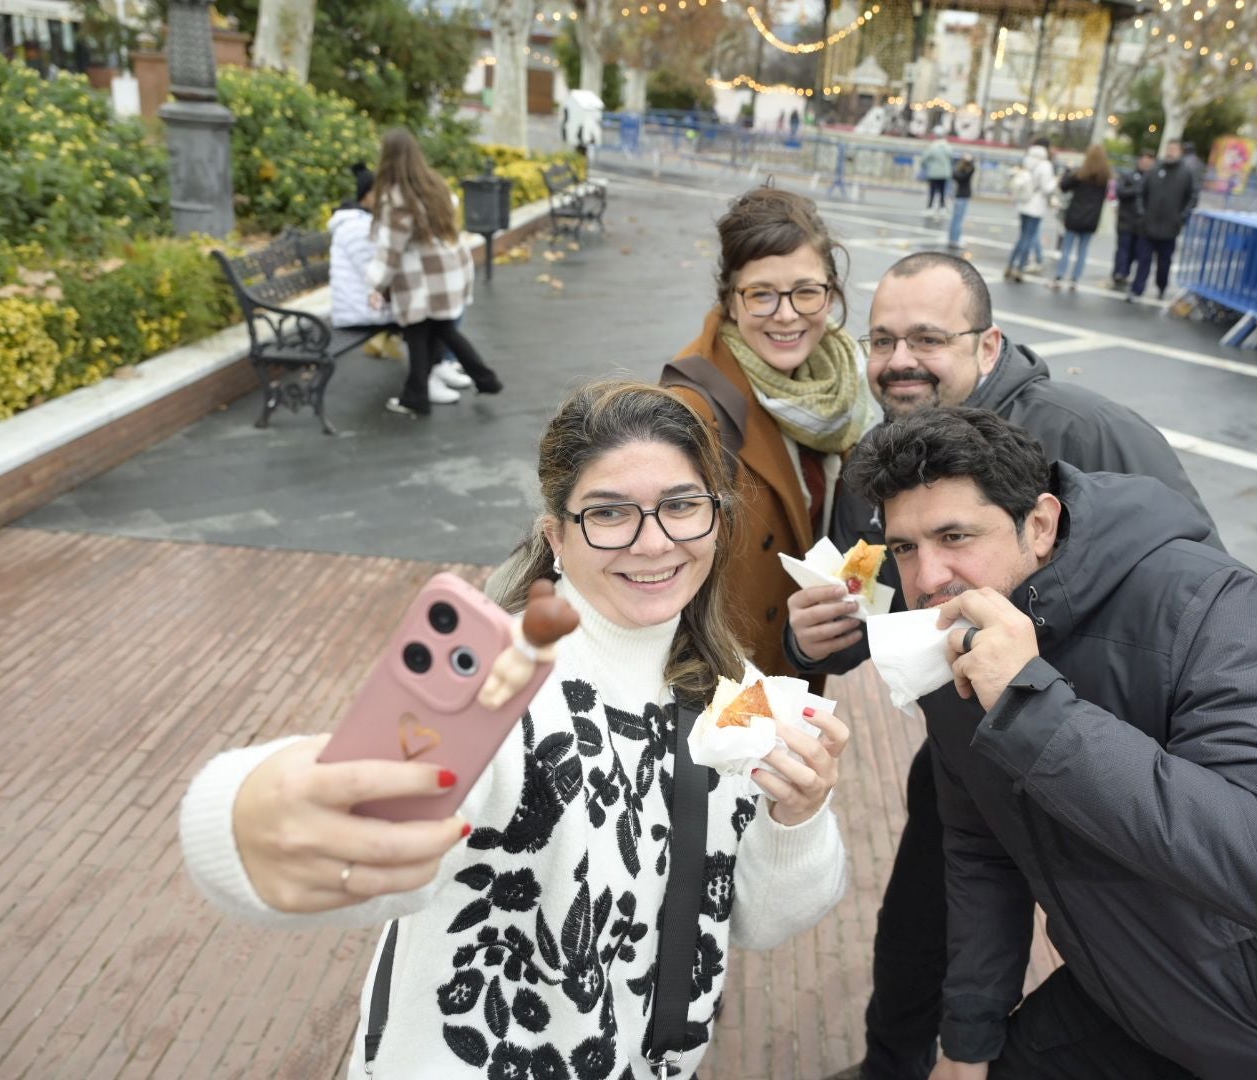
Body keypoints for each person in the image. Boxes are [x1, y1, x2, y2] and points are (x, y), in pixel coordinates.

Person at [179, 379, 851, 1078]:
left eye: (681, 506)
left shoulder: (732, 690)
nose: (654, 543)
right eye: (609, 513)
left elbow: (762, 923)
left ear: (716, 518)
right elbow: (381, 835)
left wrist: (798, 815)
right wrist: (247, 816)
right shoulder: (503, 682)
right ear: (556, 536)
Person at [845, 406, 1257, 1080]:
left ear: (1040, 524)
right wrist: (968, 1043)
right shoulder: (952, 646)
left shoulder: (1205, 603)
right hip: (1140, 1000)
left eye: (955, 536)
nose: (928, 578)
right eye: (905, 548)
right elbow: (982, 851)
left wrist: (1033, 707)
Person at [791, 252, 1219, 1080]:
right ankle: (893, 1068)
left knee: (1132, 952)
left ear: (988, 346)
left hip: (1104, 750)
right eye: (882, 340)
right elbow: (865, 608)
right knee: (918, 932)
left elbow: (1198, 588)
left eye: (927, 338)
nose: (900, 361)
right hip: (963, 753)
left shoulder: (1090, 433)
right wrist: (810, 641)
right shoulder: (880, 462)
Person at [662, 187, 876, 682]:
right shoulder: (691, 409)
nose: (786, 314)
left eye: (806, 291)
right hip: (727, 683)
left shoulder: (843, 384)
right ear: (730, 302)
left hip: (798, 665)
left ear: (830, 294)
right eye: (761, 294)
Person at [365, 128, 503, 418]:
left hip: (422, 280)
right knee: (441, 330)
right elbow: (450, 212)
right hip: (449, 272)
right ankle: (482, 380)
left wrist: (375, 285)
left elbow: (390, 251)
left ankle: (418, 397)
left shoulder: (398, 200)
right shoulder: (434, 184)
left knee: (419, 334)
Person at [330, 162, 472, 403]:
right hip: (363, 306)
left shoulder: (368, 220)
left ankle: (439, 367)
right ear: (367, 196)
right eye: (381, 193)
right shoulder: (354, 226)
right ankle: (429, 380)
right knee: (428, 314)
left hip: (376, 298)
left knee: (440, 304)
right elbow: (375, 271)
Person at [1128, 139, 1196, 302]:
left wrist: (1181, 217)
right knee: (1143, 260)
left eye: (1174, 149)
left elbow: (1192, 198)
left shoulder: (1186, 174)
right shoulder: (1154, 170)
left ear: (1180, 152)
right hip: (1148, 225)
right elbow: (1141, 193)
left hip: (1170, 227)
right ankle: (1137, 289)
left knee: (1164, 262)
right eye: (1169, 148)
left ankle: (1161, 287)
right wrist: (1142, 214)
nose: (1170, 152)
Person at [1051, 144, 1111, 291]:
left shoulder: (1080, 174)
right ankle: (1075, 279)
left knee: (1066, 248)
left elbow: (1064, 186)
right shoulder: (1104, 178)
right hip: (1092, 218)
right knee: (1082, 250)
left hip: (1075, 215)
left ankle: (1059, 277)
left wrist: (1068, 171)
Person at [1005, 138, 1057, 281]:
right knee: (1028, 238)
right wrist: (1054, 182)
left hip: (1024, 202)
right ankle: (1020, 268)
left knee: (1022, 237)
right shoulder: (1045, 165)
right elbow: (1046, 188)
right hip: (1036, 205)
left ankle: (1010, 265)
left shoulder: (1027, 160)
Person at [1110, 149, 1152, 289]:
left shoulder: (1152, 179)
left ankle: (1125, 272)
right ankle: (1119, 272)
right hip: (1126, 219)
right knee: (1123, 248)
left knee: (1135, 251)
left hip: (1141, 223)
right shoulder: (1128, 176)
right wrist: (1137, 189)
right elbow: (1120, 191)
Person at [920, 137, 954, 217]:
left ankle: (930, 208)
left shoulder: (933, 148)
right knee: (943, 191)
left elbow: (924, 158)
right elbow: (951, 158)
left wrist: (926, 165)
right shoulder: (948, 148)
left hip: (934, 173)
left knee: (932, 192)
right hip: (945, 173)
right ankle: (942, 208)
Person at [947, 154, 976, 249]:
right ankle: (955, 240)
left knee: (955, 220)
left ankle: (953, 238)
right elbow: (972, 168)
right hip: (962, 197)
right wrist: (969, 161)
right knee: (958, 220)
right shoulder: (966, 172)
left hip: (958, 196)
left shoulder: (958, 171)